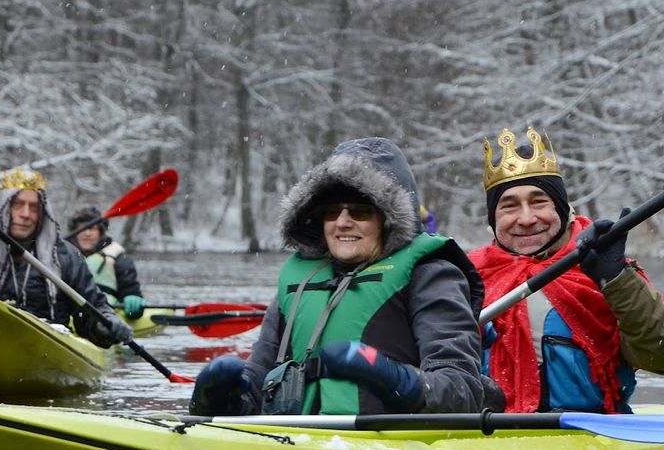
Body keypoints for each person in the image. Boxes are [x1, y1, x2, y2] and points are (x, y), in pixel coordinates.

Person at [189, 137, 494, 417]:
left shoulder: (431, 275)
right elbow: (258, 388)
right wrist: (216, 400)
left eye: (360, 212)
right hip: (296, 441)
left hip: (390, 445)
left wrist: (394, 378)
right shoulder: (300, 281)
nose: (343, 222)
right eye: (332, 212)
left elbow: (462, 390)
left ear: (388, 220)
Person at [469, 127, 664, 414]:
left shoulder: (602, 263)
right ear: (493, 219)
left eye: (539, 202)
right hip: (489, 435)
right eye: (509, 207)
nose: (525, 218)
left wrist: (616, 279)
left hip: (591, 434)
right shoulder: (468, 277)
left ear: (562, 210)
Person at [0, 167, 132, 348]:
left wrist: (105, 326)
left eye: (34, 207)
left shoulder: (66, 255)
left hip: (46, 348)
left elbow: (90, 314)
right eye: (17, 204)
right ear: (2, 207)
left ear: (42, 213)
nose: (26, 214)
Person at [66, 207, 148, 319]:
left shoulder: (119, 258)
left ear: (101, 232)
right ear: (74, 232)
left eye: (93, 228)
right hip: (69, 312)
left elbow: (129, 287)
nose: (87, 233)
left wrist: (132, 297)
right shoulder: (62, 255)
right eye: (82, 228)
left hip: (107, 313)